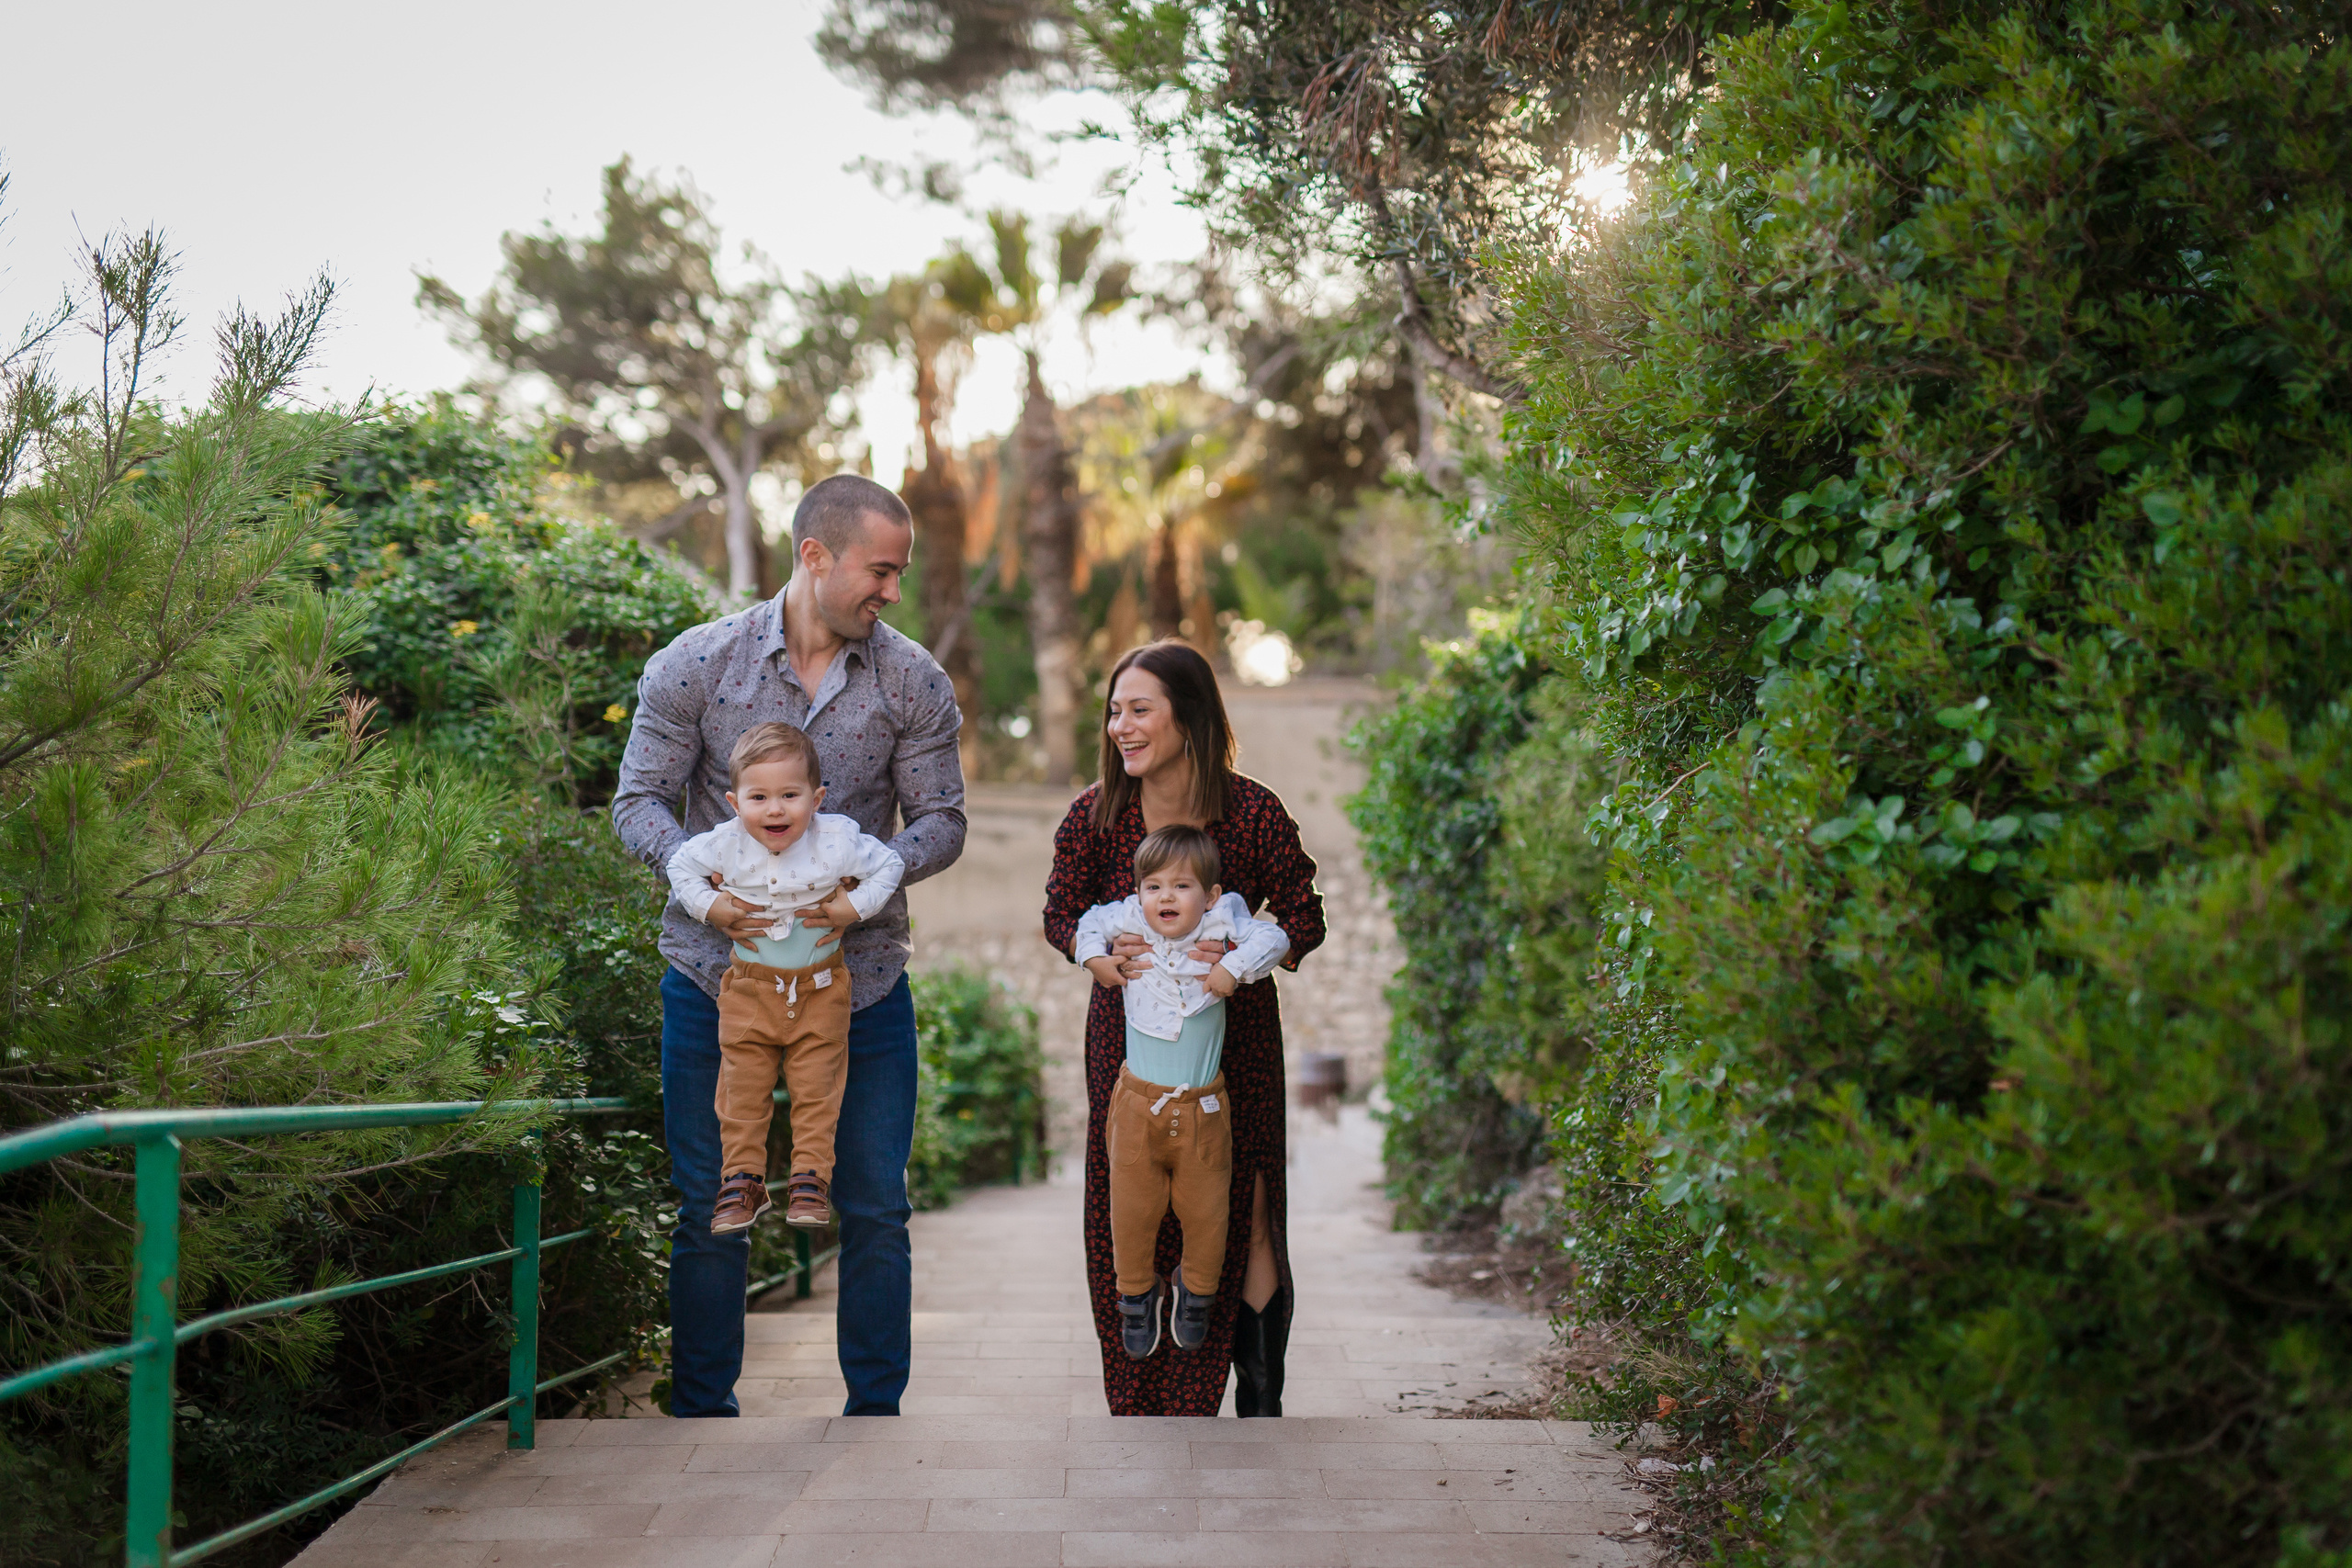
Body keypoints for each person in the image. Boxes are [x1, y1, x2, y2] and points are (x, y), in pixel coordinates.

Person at [613, 473, 965, 1420]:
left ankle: (875, 1418)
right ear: (816, 557)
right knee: (708, 1202)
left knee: (875, 1207)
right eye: (879, 570)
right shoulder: (696, 666)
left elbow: (942, 820)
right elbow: (637, 801)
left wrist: (859, 887)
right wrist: (707, 884)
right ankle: (701, 1412)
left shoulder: (913, 681)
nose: (890, 590)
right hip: (711, 978)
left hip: (864, 987)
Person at [1042, 639, 1326, 1416]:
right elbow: (1061, 915)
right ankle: (1145, 1406)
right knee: (1131, 1213)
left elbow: (1304, 916)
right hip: (1127, 1049)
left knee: (1246, 1208)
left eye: (1139, 709)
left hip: (1239, 1049)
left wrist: (1246, 952)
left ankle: (1258, 1406)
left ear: (1189, 716)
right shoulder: (1095, 816)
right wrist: (1093, 953)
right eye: (1113, 710)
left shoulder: (1254, 812)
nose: (1120, 726)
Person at [664, 721, 906, 1233]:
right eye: (759, 797)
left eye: (790, 795)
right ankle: (742, 1181)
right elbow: (679, 867)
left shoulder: (837, 840)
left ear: (816, 798)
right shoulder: (723, 845)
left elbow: (889, 866)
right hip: (750, 990)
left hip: (820, 990)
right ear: (734, 802)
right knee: (741, 1090)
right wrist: (712, 908)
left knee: (818, 1091)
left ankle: (810, 1181)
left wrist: (853, 908)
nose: (775, 809)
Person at [1074, 825, 1290, 1359]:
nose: (1165, 897)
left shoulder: (1224, 919)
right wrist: (1094, 960)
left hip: (1204, 1108)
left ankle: (1196, 1290)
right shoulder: (1127, 917)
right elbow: (1084, 923)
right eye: (1153, 886)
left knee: (1209, 1212)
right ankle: (1136, 1294)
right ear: (1139, 892)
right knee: (1130, 1211)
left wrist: (1233, 970)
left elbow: (1276, 938)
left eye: (1181, 886)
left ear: (1210, 896)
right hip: (1135, 1105)